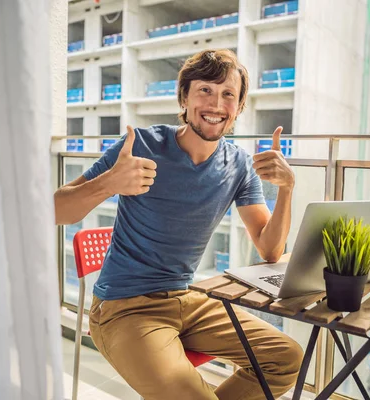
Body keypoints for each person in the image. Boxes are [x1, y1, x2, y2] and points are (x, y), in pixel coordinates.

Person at [54, 49, 303, 400]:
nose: (216, 104)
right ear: (184, 96)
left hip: (188, 298)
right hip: (124, 307)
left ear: (239, 108)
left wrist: (288, 189)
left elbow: (270, 247)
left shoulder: (239, 165)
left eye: (228, 94)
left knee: (286, 358)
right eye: (205, 90)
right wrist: (110, 183)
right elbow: (55, 210)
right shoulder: (139, 145)